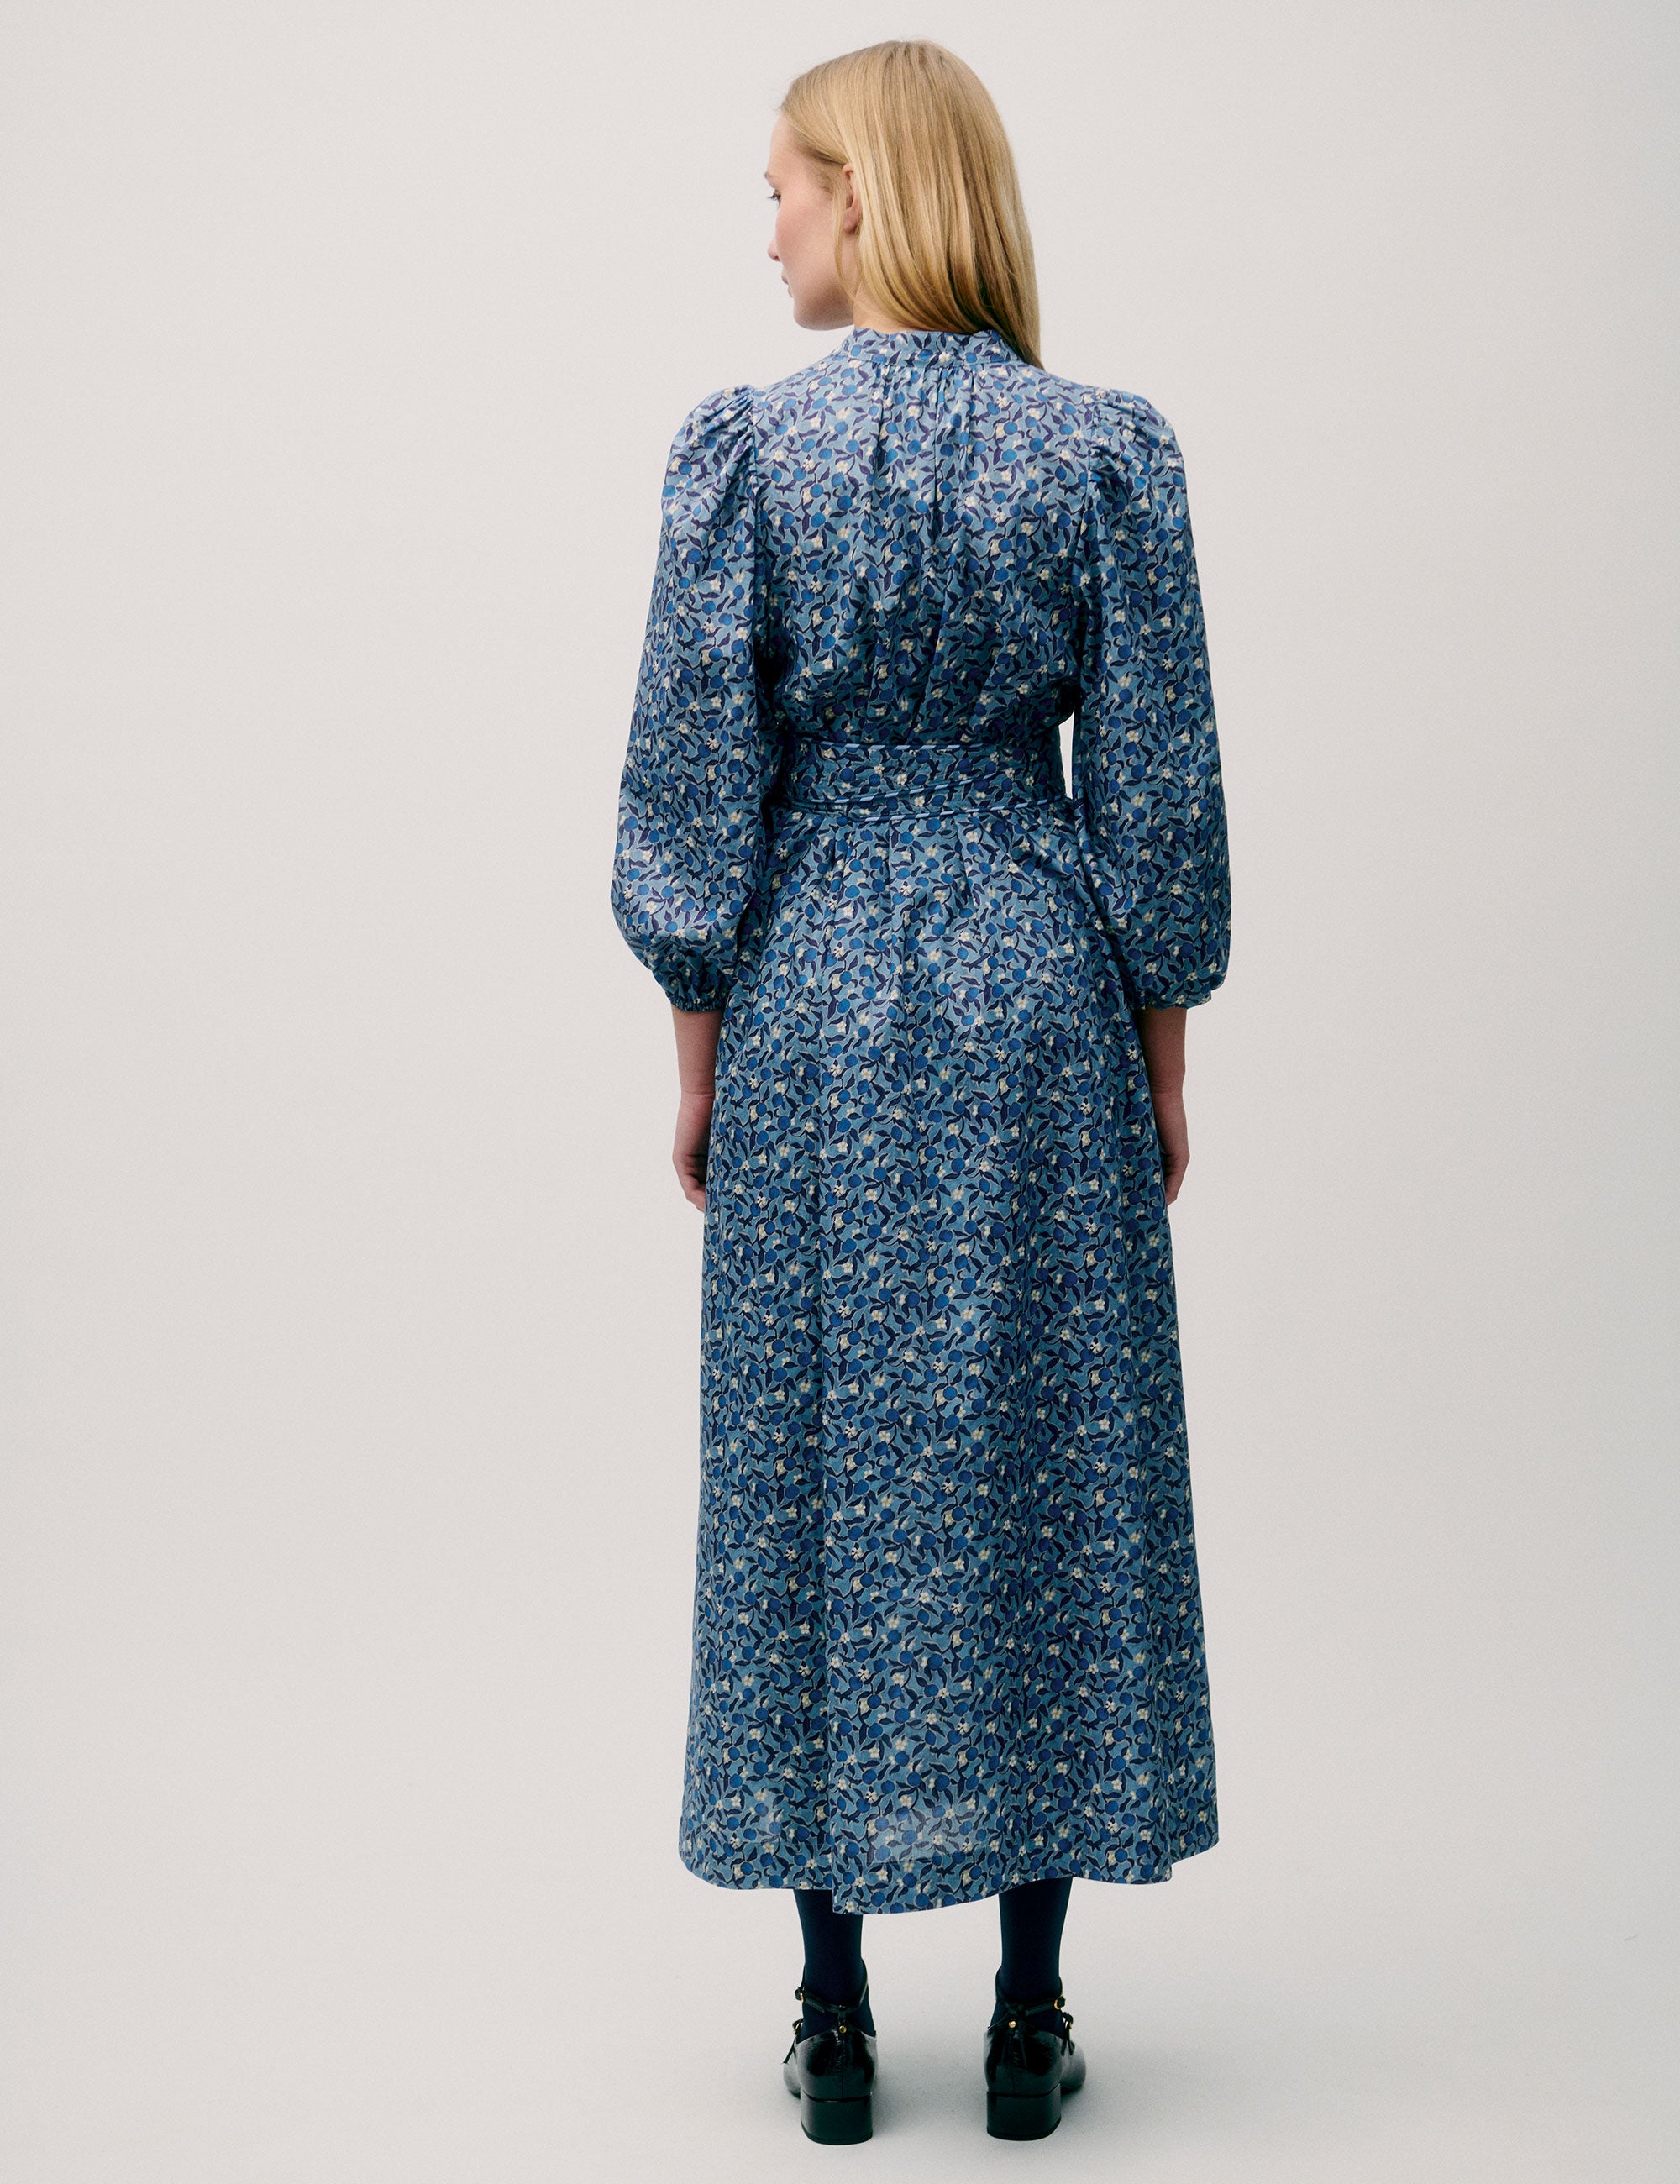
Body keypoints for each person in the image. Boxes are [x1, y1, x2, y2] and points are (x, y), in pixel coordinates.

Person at [612, 37, 1231, 2145]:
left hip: (811, 1011)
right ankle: (1029, 2016)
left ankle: (834, 2013)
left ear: (864, 195)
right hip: (1043, 1010)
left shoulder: (745, 460)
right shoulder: (1107, 452)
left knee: (810, 1464)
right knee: (1048, 1464)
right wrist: (1158, 1068)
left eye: (780, 181)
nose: (763, 217)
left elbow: (697, 802)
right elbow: (1159, 809)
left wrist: (698, 1064)